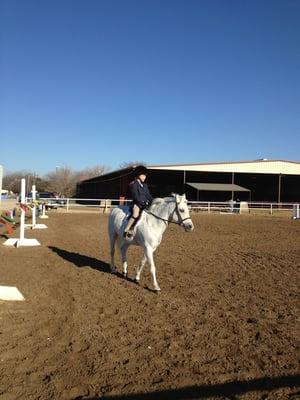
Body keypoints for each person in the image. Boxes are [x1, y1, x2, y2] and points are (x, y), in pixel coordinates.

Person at [123, 165, 153, 238]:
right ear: (138, 175)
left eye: (145, 176)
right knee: (136, 214)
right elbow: (135, 196)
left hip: (145, 204)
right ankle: (127, 229)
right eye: (143, 175)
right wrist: (143, 204)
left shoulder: (145, 185)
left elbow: (148, 195)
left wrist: (153, 201)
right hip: (137, 204)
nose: (144, 177)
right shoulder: (133, 184)